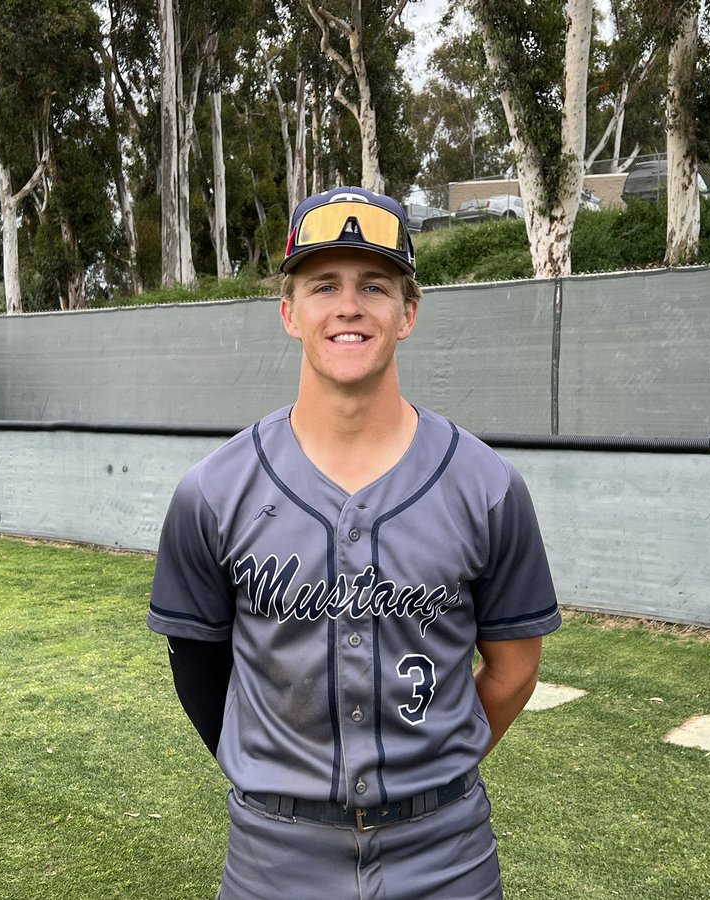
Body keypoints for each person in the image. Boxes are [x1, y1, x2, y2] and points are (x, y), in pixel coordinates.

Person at [148, 186, 561, 900]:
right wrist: (282, 780)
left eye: (375, 284)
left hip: (446, 853)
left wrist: (427, 772)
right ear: (289, 313)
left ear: (409, 313)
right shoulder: (213, 491)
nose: (349, 305)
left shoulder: (487, 485)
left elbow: (515, 668)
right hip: (274, 857)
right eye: (323, 285)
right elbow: (200, 670)